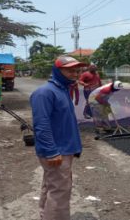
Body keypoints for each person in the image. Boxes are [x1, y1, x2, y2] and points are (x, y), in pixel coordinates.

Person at [30, 56, 87, 220]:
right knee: (60, 192)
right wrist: (51, 151)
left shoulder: (62, 89)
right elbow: (41, 125)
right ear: (57, 71)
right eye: (70, 70)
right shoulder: (45, 93)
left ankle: (45, 215)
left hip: (64, 148)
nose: (75, 73)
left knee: (51, 186)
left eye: (77, 70)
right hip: (56, 151)